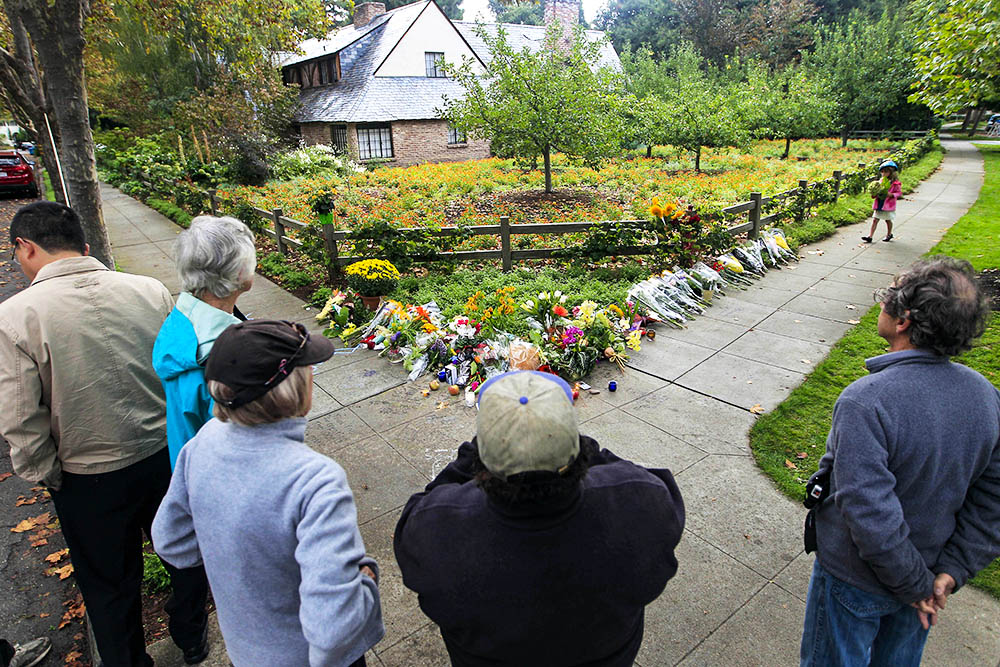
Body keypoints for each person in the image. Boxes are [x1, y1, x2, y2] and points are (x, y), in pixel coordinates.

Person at [0, 201, 209, 667]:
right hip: (164, 452)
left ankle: (128, 660)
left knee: (109, 586)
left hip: (86, 473)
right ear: (84, 246)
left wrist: (47, 474)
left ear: (25, 247)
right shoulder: (149, 290)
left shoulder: (16, 317)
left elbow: (19, 417)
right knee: (184, 552)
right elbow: (178, 367)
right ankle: (191, 635)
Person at [394, 370, 686, 667]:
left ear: (480, 465)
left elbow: (429, 501)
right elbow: (640, 480)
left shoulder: (436, 528)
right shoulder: (639, 499)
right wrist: (583, 446)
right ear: (578, 452)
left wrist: (474, 452)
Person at [800, 257, 1000, 666]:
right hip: (928, 579)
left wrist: (916, 586)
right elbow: (993, 500)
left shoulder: (866, 400)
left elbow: (868, 510)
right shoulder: (984, 395)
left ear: (904, 320)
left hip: (855, 581)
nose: (881, 305)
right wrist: (946, 575)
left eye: (886, 297)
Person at [152, 319, 384, 667]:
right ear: (293, 388)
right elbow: (333, 629)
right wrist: (364, 582)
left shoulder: (204, 440)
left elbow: (171, 541)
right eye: (308, 369)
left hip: (245, 652)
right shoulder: (314, 480)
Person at [153, 215, 255, 469]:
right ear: (239, 271)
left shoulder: (183, 321)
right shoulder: (224, 356)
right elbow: (248, 449)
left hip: (191, 472)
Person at [861, 159, 903, 243]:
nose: (884, 174)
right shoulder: (880, 181)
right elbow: (876, 191)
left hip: (888, 205)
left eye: (886, 172)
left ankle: (889, 234)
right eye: (882, 172)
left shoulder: (895, 183)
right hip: (880, 203)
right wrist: (874, 193)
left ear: (891, 172)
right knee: (875, 219)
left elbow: (898, 193)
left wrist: (891, 194)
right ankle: (870, 236)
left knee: (887, 220)